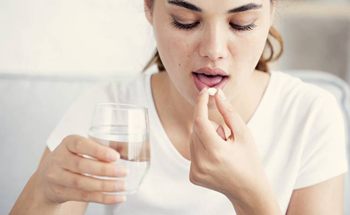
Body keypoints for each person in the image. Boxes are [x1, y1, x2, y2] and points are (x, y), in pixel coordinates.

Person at [10, 0, 348, 214]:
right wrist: (43, 190)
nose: (214, 50)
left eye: (241, 23)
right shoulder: (107, 111)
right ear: (149, 8)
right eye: (186, 21)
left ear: (271, 10)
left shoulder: (310, 115)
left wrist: (251, 197)